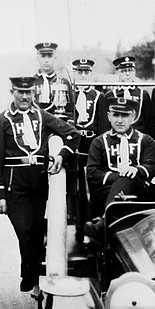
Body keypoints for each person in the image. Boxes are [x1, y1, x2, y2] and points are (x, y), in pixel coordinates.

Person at [0, 76, 81, 292]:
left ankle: (34, 273)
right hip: (14, 181)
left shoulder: (42, 116)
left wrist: (61, 156)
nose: (24, 96)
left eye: (28, 92)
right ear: (12, 92)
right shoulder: (1, 121)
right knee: (25, 229)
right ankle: (29, 272)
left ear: (33, 93)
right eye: (20, 92)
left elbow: (72, 134)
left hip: (39, 180)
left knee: (38, 228)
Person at [86, 96, 155, 216]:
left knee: (129, 178)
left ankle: (105, 220)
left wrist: (135, 170)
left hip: (138, 191)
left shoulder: (145, 140)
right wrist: (119, 177)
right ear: (109, 116)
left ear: (133, 116)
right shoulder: (99, 141)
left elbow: (152, 166)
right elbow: (92, 172)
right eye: (115, 115)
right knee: (124, 180)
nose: (119, 120)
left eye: (124, 115)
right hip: (107, 190)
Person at [71, 59, 110, 230]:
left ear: (92, 74)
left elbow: (102, 125)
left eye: (87, 73)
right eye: (80, 72)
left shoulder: (98, 96)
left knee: (93, 184)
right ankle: (79, 224)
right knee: (76, 187)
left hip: (92, 144)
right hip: (76, 144)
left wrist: (100, 148)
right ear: (76, 73)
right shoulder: (71, 95)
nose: (84, 76)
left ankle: (95, 222)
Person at [107, 55, 151, 134]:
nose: (127, 74)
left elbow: (148, 121)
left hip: (138, 137)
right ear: (117, 73)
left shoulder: (143, 94)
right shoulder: (111, 95)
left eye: (130, 70)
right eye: (123, 71)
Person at [34, 42, 74, 121]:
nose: (46, 60)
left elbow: (70, 110)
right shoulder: (31, 82)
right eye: (43, 56)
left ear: (55, 57)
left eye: (50, 56)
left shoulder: (63, 82)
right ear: (37, 57)